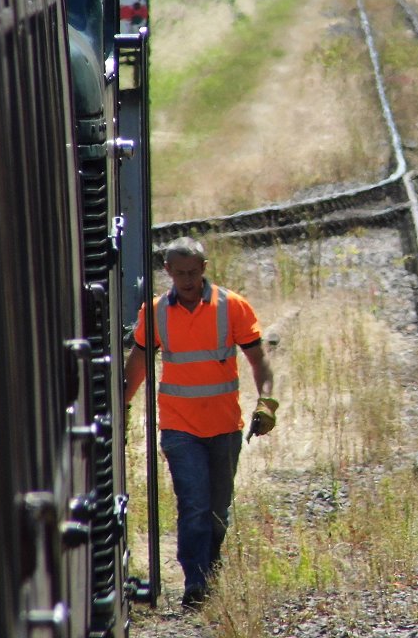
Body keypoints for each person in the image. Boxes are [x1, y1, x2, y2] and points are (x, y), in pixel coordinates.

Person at [125, 236, 277, 610]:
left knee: (217, 507)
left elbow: (259, 360)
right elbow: (140, 362)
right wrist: (121, 404)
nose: (187, 280)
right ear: (168, 272)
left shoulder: (232, 307)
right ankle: (196, 582)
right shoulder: (156, 312)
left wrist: (268, 402)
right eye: (180, 274)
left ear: (205, 269)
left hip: (225, 426)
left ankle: (210, 566)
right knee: (192, 504)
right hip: (179, 427)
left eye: (193, 272)